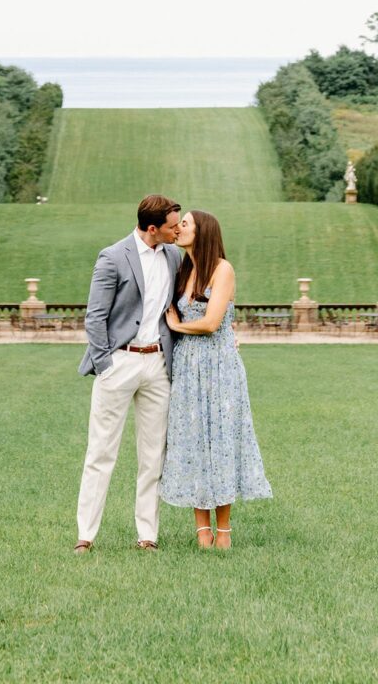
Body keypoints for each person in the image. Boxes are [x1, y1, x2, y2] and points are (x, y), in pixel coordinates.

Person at [74, 194, 182, 554]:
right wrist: (106, 364)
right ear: (152, 229)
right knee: (101, 452)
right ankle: (86, 536)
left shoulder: (173, 256)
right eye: (172, 226)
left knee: (153, 457)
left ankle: (147, 535)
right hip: (119, 362)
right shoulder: (112, 257)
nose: (178, 230)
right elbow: (95, 317)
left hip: (157, 366)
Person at [160, 210, 272, 549]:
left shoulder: (222, 270)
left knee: (221, 440)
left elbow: (211, 323)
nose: (179, 228)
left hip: (219, 366)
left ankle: (223, 531)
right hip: (188, 366)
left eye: (186, 224)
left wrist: (178, 326)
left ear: (203, 231)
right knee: (193, 440)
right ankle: (202, 531)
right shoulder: (184, 270)